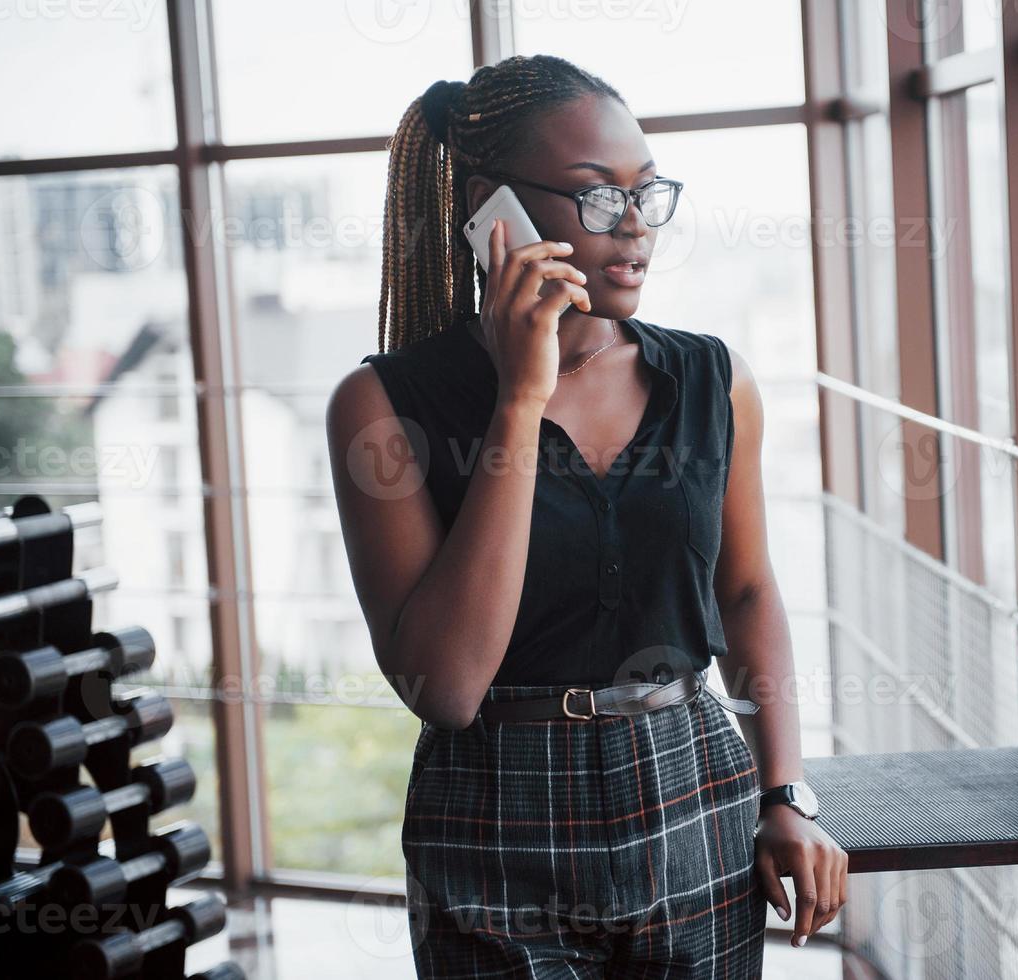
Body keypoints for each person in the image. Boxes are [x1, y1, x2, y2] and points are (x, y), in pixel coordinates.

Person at [325, 54, 848, 977]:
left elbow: (748, 590)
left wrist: (786, 794)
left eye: (647, 193)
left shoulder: (709, 379)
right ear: (492, 208)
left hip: (691, 784)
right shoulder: (382, 407)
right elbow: (445, 687)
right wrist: (518, 404)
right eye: (596, 197)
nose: (635, 226)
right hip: (493, 810)